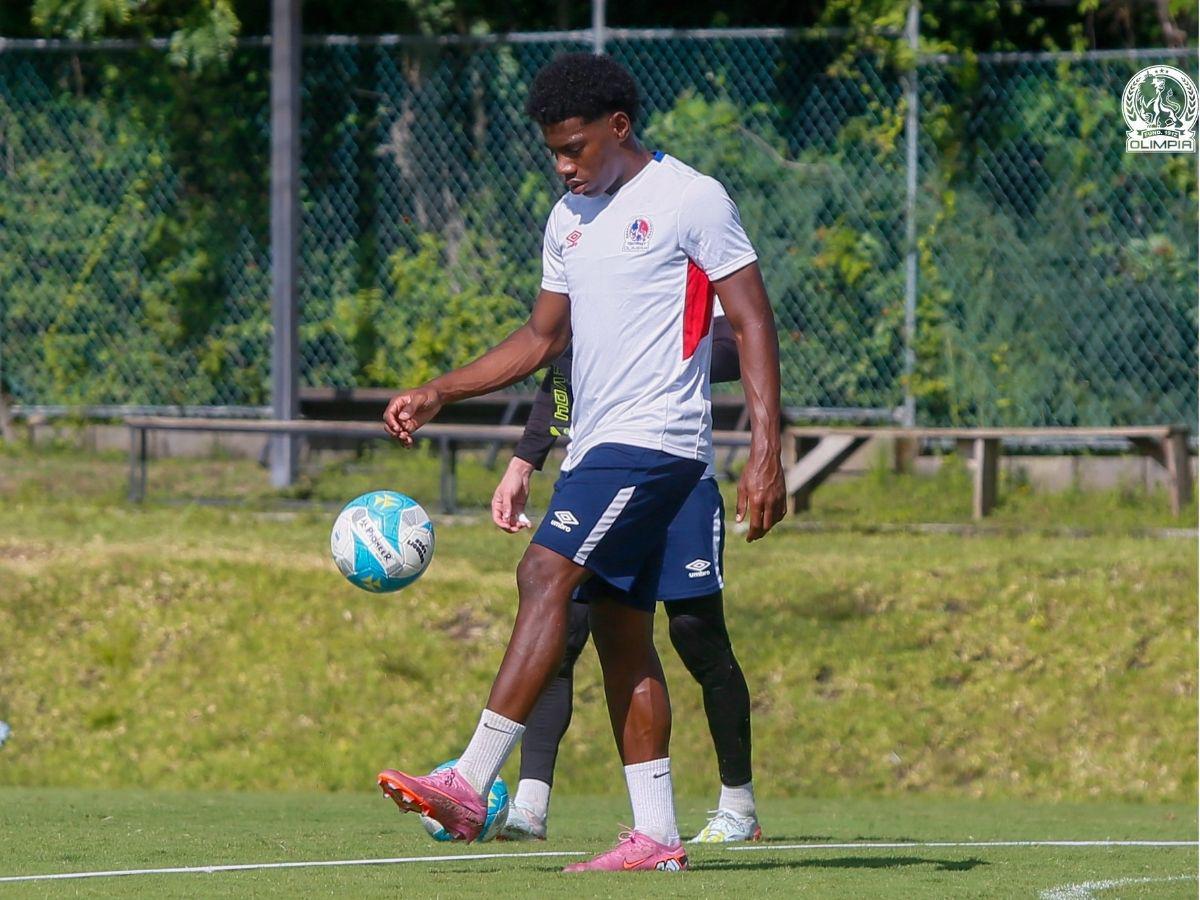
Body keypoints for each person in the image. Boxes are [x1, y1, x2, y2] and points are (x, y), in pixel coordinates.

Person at [377, 51, 786, 873]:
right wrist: (439, 391)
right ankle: (656, 836)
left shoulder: (689, 199)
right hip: (599, 445)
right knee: (620, 634)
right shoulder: (567, 219)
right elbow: (541, 339)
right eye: (554, 152)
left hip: (656, 441)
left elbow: (752, 319)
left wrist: (767, 451)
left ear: (617, 127)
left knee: (541, 575)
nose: (565, 164)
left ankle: (469, 777)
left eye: (576, 148)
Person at [491, 315, 763, 844]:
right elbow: (562, 369)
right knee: (564, 629)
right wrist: (526, 459)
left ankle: (738, 803)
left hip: (681, 478)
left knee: (695, 635)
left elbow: (744, 346)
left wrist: (662, 342)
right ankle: (530, 806)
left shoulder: (691, 268)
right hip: (595, 478)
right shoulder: (588, 265)